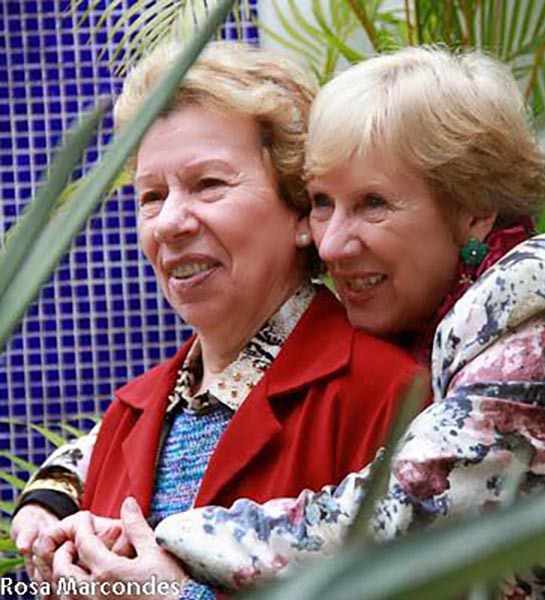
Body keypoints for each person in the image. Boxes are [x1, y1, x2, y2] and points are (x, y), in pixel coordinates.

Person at [148, 47, 545, 598]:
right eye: (321, 201)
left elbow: (403, 514)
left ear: (473, 209)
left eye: (373, 203)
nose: (333, 244)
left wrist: (161, 537)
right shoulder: (416, 319)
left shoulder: (543, 309)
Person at [10, 41, 421, 600]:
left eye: (208, 185)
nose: (170, 223)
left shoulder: (383, 393)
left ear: (302, 211)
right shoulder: (129, 413)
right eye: (152, 196)